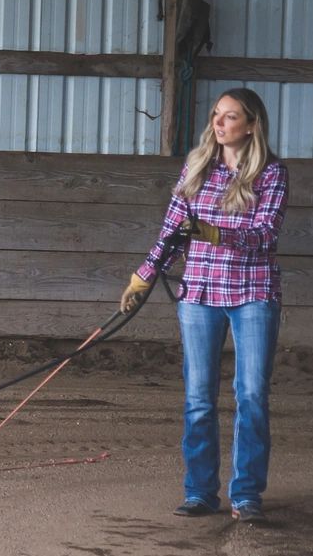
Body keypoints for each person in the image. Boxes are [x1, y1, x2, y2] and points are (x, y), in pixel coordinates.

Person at [122, 88, 289, 522]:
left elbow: (266, 234)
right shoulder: (197, 168)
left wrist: (218, 233)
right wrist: (144, 274)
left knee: (251, 393)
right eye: (216, 114)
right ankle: (200, 492)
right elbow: (172, 230)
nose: (219, 123)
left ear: (251, 124)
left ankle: (247, 494)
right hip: (198, 292)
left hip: (252, 292)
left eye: (230, 116)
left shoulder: (270, 174)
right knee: (198, 397)